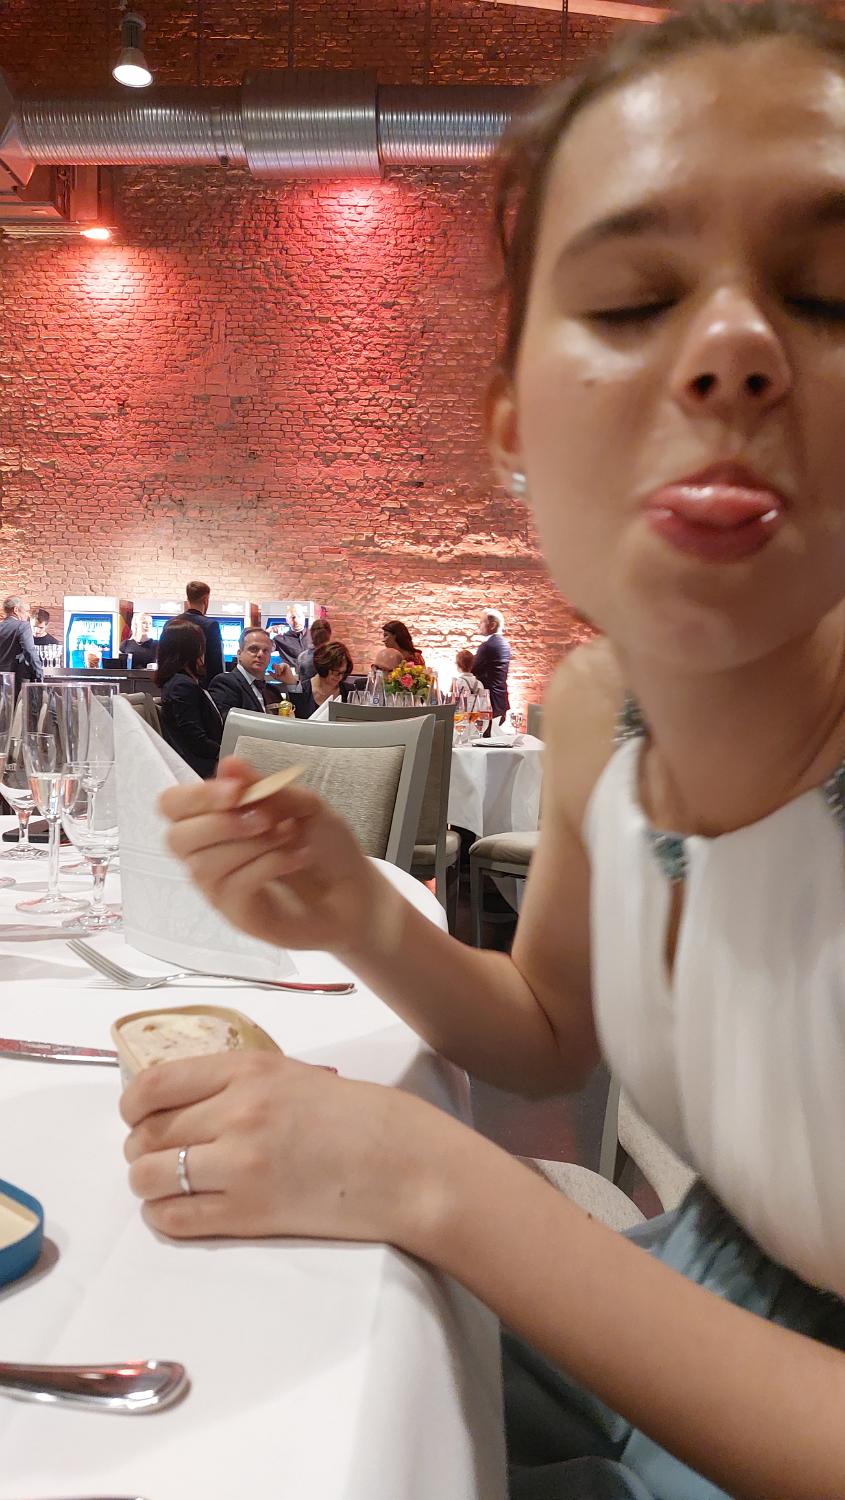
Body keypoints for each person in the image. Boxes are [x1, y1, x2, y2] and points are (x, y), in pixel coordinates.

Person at [125, 5, 845, 1495]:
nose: (730, 351)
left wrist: (436, 1180)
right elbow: (548, 1033)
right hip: (684, 1287)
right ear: (510, 424)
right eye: (633, 300)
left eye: (828, 293)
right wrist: (351, 911)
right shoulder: (595, 711)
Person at [156, 620, 222, 779]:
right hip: (200, 771)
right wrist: (229, 752)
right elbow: (196, 740)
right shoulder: (181, 685)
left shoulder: (179, 683)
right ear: (195, 650)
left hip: (199, 766)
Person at [208, 628, 288, 721]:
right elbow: (229, 725)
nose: (260, 654)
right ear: (239, 654)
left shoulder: (273, 691)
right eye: (254, 649)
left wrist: (292, 684)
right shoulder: (225, 683)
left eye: (266, 650)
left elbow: (296, 723)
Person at [161, 581, 223, 687]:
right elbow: (215, 663)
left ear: (188, 600)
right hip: (199, 685)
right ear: (206, 600)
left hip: (171, 683)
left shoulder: (170, 623)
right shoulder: (210, 625)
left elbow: (163, 657)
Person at [472, 609, 511, 722]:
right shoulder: (505, 644)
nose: (479, 625)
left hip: (488, 703)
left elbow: (473, 670)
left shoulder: (487, 646)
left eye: (482, 622)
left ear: (493, 625)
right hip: (501, 701)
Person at [297, 641, 353, 718]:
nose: (340, 677)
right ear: (324, 667)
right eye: (336, 672)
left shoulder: (350, 692)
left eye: (343, 673)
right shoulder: (302, 690)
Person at [0, 596, 43, 691]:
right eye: (26, 611)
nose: (27, 615)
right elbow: (29, 651)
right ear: (16, 610)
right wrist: (39, 674)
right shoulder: (23, 626)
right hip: (15, 678)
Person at [293, 617, 331, 690]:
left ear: (311, 633)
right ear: (329, 633)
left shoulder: (302, 657)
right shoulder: (336, 656)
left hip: (306, 694)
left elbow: (300, 679)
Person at [273, 603, 311, 673]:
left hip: (314, 678)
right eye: (292, 617)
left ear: (304, 617)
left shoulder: (315, 636)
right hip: (291, 678)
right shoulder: (279, 640)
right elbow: (263, 649)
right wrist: (266, 632)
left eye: (299, 616)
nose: (296, 620)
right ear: (287, 620)